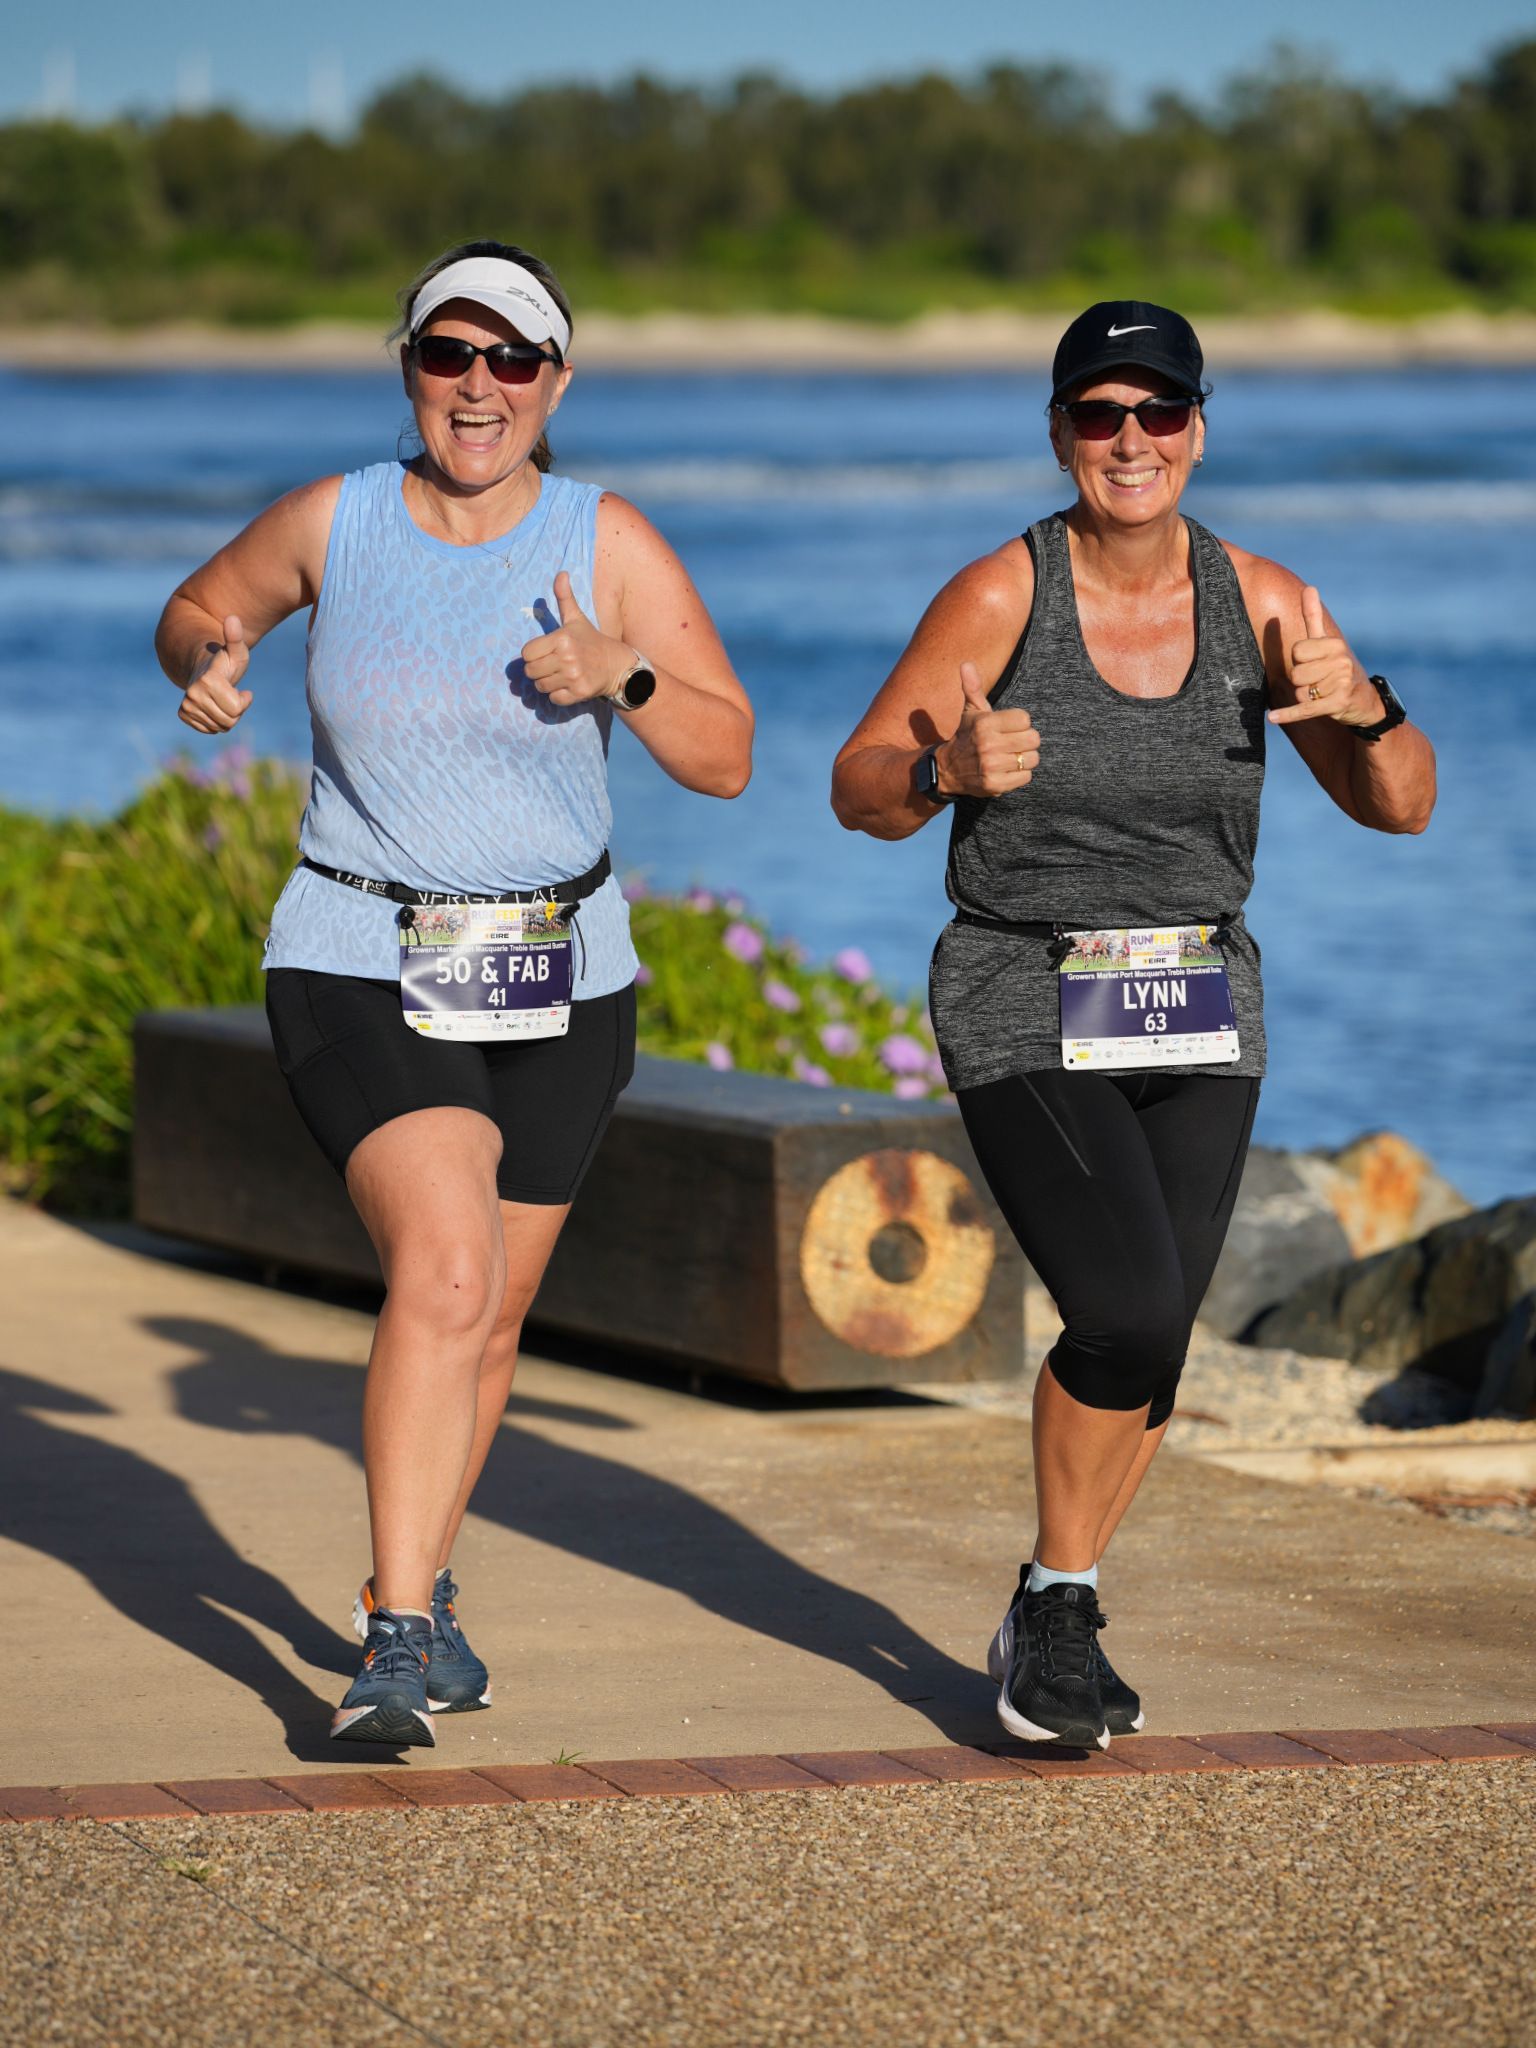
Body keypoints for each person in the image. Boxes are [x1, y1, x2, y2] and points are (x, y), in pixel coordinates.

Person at [155, 240, 753, 1746]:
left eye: (511, 360)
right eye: (447, 355)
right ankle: (400, 1633)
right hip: (360, 954)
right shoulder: (333, 521)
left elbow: (727, 754)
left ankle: (416, 1592)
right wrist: (210, 661)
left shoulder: (603, 540)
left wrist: (623, 672)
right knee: (444, 1267)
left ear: (555, 382)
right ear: (409, 366)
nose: (476, 387)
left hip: (564, 977)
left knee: (491, 1318)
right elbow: (197, 609)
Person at [831, 300, 1435, 1749]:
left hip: (1201, 995)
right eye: (1098, 415)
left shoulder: (1269, 599)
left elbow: (1403, 800)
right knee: (1130, 1310)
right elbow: (857, 786)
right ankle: (1056, 1608)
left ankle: (1061, 1601)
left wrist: (1360, 707)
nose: (1130, 442)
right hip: (1024, 986)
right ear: (1058, 436)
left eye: (1158, 413)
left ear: (1199, 432)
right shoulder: (1001, 595)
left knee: (1155, 1349)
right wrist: (946, 767)